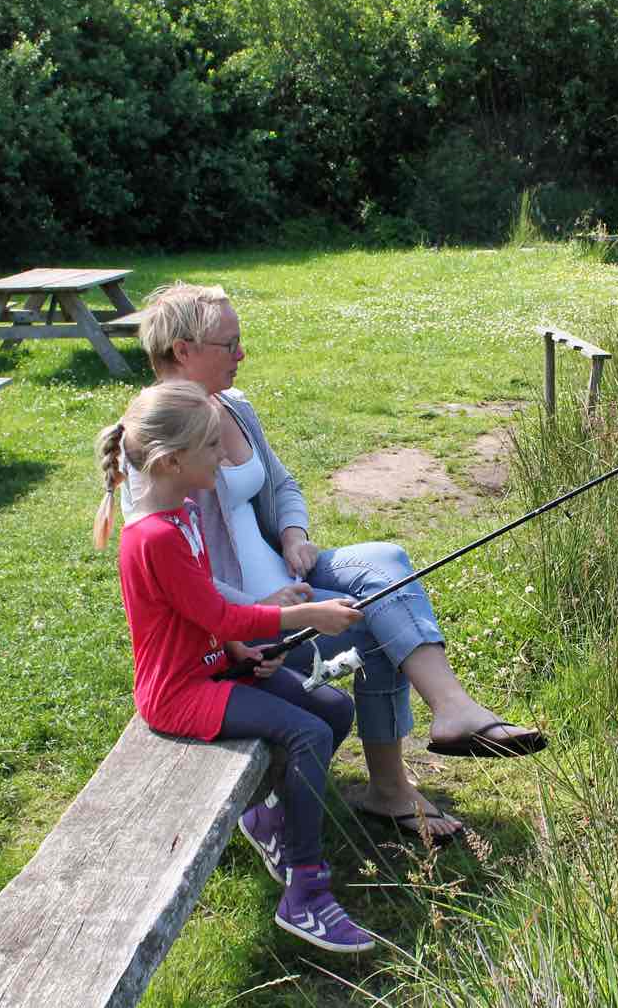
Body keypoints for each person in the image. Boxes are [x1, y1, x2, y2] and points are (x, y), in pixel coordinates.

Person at [125, 281, 545, 842]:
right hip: (249, 620)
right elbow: (181, 580)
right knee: (372, 624)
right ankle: (390, 788)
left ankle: (452, 708)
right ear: (184, 351)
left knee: (386, 559)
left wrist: (294, 535)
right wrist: (267, 605)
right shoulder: (153, 440)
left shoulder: (234, 407)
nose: (241, 354)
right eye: (229, 344)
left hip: (289, 575)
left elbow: (282, 485)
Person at [94, 380, 374, 952]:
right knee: (308, 733)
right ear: (172, 461)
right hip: (179, 691)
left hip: (213, 665)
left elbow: (201, 614)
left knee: (333, 708)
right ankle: (305, 890)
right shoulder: (153, 538)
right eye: (210, 447)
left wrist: (237, 649)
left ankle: (271, 820)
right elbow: (219, 611)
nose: (222, 455)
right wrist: (308, 616)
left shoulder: (184, 514)